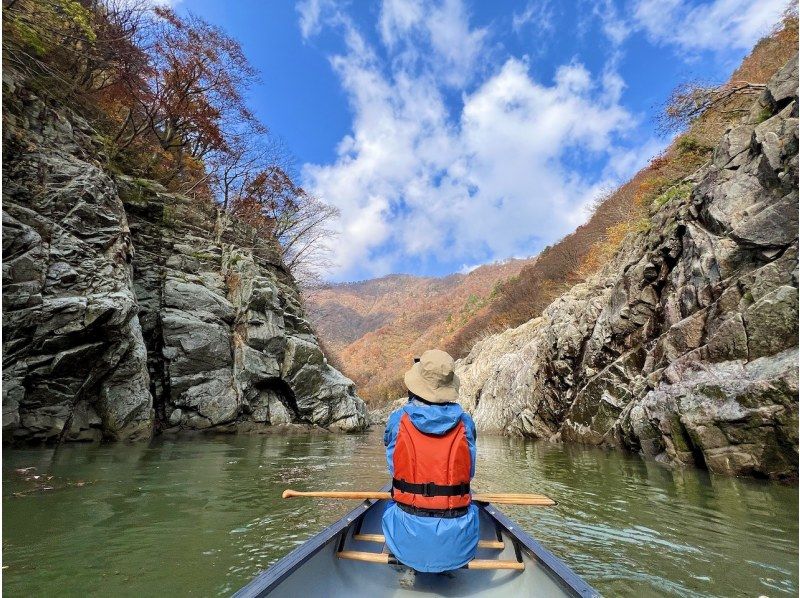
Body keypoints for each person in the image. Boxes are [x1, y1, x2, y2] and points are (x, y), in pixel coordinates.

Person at [382, 349, 479, 573]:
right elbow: (469, 471)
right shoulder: (466, 423)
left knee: (391, 503)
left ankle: (405, 565)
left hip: (406, 539)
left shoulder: (398, 420)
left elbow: (393, 467)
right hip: (458, 543)